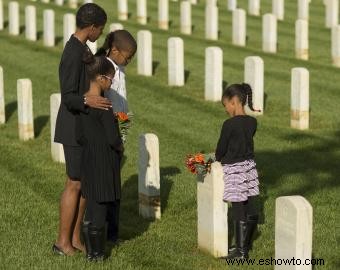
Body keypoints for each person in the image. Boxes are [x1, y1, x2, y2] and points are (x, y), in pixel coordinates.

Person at [53, 3, 111, 256]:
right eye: (101, 29)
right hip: (72, 126)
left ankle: (75, 239)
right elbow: (67, 96)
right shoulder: (71, 53)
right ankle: (61, 243)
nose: (100, 33)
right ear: (91, 27)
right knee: (74, 184)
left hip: (84, 126)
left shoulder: (83, 49)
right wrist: (88, 100)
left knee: (84, 184)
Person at [76, 55, 123, 261]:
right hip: (104, 162)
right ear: (101, 79)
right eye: (111, 79)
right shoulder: (104, 105)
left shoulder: (83, 103)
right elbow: (113, 138)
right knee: (101, 207)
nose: (112, 83)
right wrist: (120, 146)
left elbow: (79, 135)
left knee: (92, 205)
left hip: (88, 160)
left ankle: (90, 252)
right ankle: (98, 253)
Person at [95, 30, 137, 244]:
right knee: (106, 188)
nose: (129, 61)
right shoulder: (102, 68)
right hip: (107, 134)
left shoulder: (119, 69)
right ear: (114, 49)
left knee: (114, 188)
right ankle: (101, 232)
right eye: (127, 56)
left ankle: (113, 233)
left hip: (119, 129)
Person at [215, 83, 261, 259]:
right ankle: (246, 245)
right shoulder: (252, 122)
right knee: (249, 202)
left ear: (234, 102)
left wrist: (217, 158)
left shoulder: (229, 125)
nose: (226, 110)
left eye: (226, 105)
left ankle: (240, 252)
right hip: (249, 166)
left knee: (238, 205)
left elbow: (221, 148)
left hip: (235, 168)